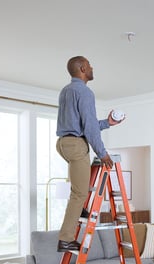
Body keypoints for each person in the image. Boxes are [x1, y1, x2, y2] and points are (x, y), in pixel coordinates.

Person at [55, 56, 123, 252]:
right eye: (90, 66)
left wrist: (108, 123)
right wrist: (103, 154)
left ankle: (80, 210)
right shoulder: (85, 92)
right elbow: (90, 129)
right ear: (83, 68)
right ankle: (66, 238)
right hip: (76, 145)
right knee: (79, 192)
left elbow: (85, 124)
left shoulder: (66, 91)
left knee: (78, 188)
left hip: (63, 143)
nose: (92, 68)